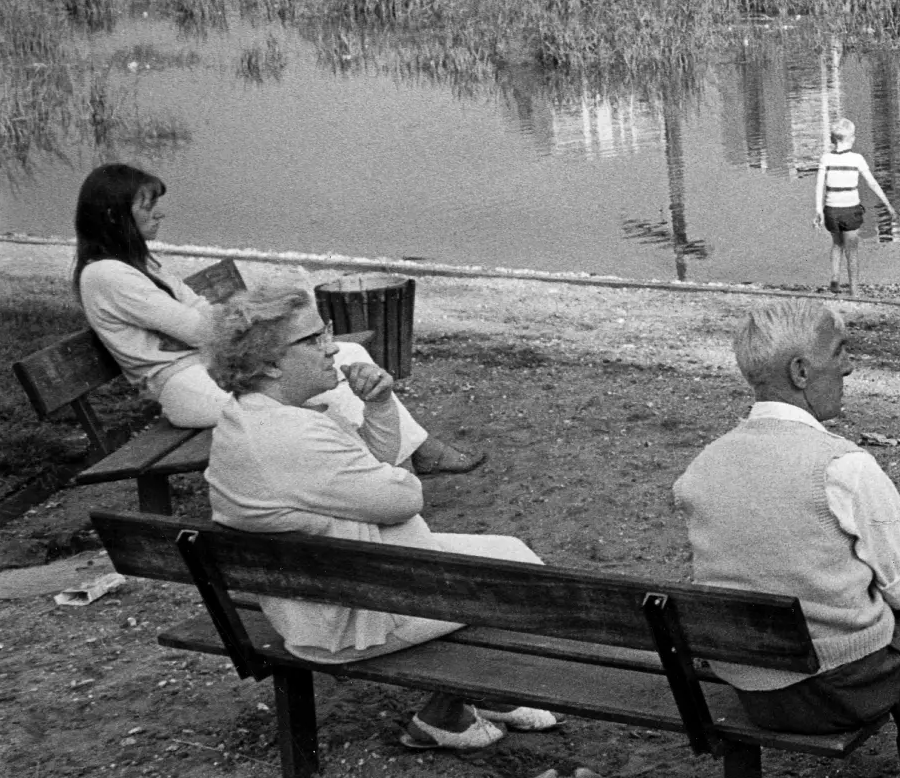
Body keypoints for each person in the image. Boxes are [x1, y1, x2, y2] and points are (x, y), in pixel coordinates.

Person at [201, 283, 553, 752]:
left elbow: (368, 465)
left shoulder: (255, 416)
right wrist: (391, 478)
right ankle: (443, 715)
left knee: (510, 551)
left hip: (324, 588)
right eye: (312, 341)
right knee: (526, 584)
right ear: (268, 363)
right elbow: (403, 496)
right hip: (347, 619)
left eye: (324, 332)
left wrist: (381, 404)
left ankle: (483, 693)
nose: (332, 348)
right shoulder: (292, 438)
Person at [672, 301, 900, 778]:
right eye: (840, 352)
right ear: (801, 371)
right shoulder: (841, 467)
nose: (849, 366)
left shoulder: (701, 468)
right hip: (834, 691)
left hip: (750, 687)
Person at [72, 163, 479, 473]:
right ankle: (387, 467)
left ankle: (404, 452)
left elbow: (200, 313)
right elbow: (199, 327)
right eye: (148, 206)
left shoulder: (140, 263)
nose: (159, 214)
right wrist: (215, 330)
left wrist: (210, 329)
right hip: (184, 386)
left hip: (204, 364)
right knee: (315, 382)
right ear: (114, 215)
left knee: (345, 352)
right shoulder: (107, 275)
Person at [815, 119, 898, 294]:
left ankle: (835, 278)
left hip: (831, 209)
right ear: (851, 138)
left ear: (832, 139)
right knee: (852, 251)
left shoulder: (826, 158)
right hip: (850, 209)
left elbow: (819, 186)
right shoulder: (857, 159)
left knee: (837, 244)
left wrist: (818, 210)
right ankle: (854, 289)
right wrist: (887, 204)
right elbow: (872, 183)